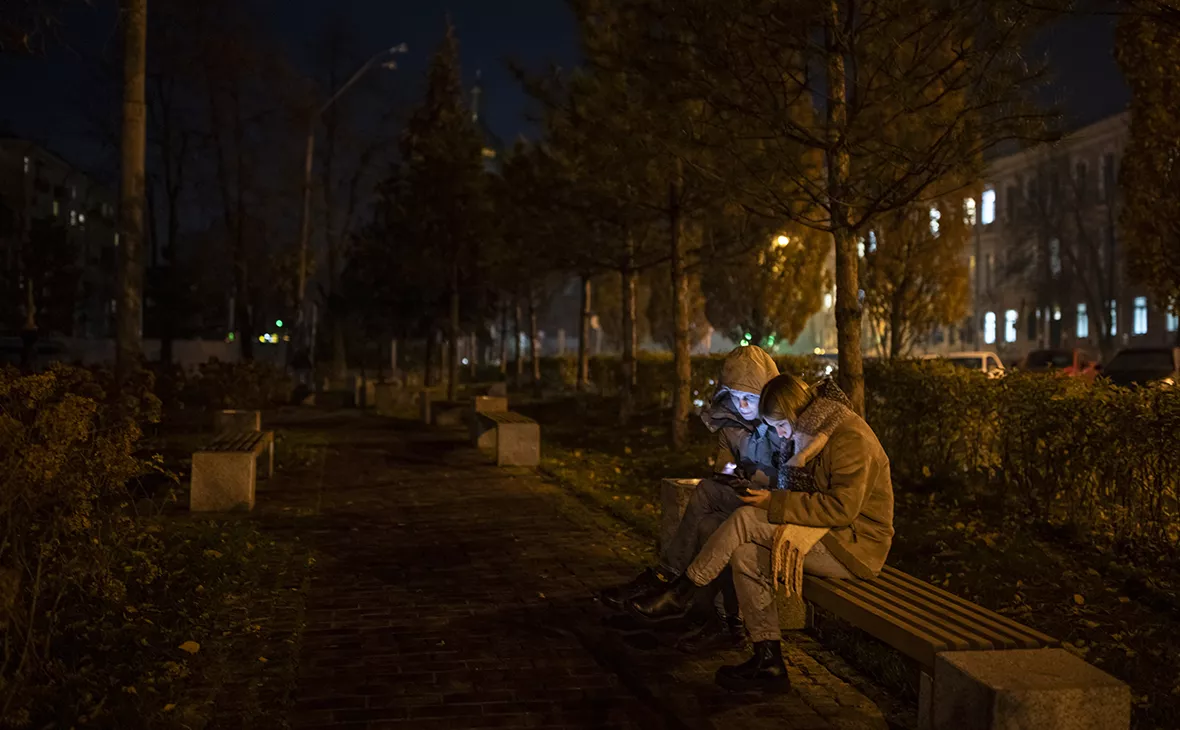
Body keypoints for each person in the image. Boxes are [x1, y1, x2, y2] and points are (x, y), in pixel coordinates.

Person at [629, 373, 894, 693]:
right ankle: (768, 657)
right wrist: (753, 482)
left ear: (797, 414)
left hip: (855, 545)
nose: (780, 436)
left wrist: (772, 500)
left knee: (745, 521)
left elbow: (841, 509)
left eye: (781, 426)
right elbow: (753, 475)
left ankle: (682, 591)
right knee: (743, 552)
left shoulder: (850, 438)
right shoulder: (811, 432)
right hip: (824, 531)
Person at [600, 345, 781, 651]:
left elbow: (792, 474)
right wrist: (727, 469)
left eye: (750, 397)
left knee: (706, 493)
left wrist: (761, 480)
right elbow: (724, 463)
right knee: (708, 525)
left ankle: (666, 578)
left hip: (776, 506)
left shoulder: (781, 423)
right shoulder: (731, 422)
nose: (743, 405)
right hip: (746, 500)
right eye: (735, 397)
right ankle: (716, 618)